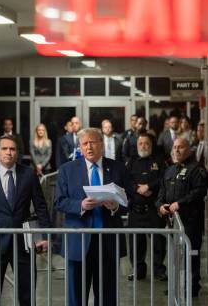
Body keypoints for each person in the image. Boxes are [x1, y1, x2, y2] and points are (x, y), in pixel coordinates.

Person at [0, 135, 51, 306]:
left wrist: (43, 236)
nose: (9, 152)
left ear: (17, 153)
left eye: (12, 149)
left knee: (27, 294)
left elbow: (41, 206)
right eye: (5, 149)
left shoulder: (28, 175)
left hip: (24, 243)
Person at [55, 128, 128, 306]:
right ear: (79, 146)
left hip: (108, 241)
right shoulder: (67, 170)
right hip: (78, 242)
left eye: (93, 142)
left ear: (101, 144)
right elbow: (59, 201)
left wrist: (116, 205)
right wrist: (80, 205)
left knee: (107, 296)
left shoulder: (118, 168)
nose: (89, 147)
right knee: (76, 297)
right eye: (84, 143)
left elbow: (130, 198)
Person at [156, 138, 207, 297]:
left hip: (190, 220)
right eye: (175, 147)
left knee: (190, 254)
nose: (176, 150)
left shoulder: (196, 169)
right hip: (172, 222)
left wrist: (180, 203)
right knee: (174, 255)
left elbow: (199, 191)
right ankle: (176, 285)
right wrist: (160, 205)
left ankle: (191, 287)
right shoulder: (169, 170)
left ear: (189, 150)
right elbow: (161, 193)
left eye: (180, 147)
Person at [126, 134, 166, 281]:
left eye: (146, 143)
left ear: (151, 145)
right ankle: (138, 271)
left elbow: (163, 179)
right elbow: (126, 180)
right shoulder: (131, 162)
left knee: (158, 243)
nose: (143, 146)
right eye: (140, 143)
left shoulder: (159, 161)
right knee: (136, 244)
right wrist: (138, 188)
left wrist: (149, 186)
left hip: (153, 210)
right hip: (136, 210)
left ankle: (159, 270)